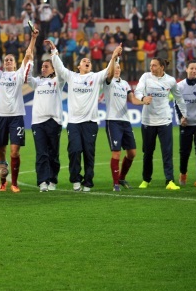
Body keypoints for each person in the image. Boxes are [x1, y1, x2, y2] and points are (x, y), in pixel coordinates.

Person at [48, 39, 122, 191]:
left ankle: (88, 182)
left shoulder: (95, 77)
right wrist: (54, 52)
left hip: (90, 122)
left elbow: (109, 71)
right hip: (74, 122)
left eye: (89, 61)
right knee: (74, 151)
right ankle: (76, 180)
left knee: (89, 153)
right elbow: (60, 69)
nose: (87, 61)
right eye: (84, 60)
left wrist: (114, 56)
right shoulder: (72, 77)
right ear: (78, 66)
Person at [0, 25, 34, 192]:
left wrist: (33, 38)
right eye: (6, 60)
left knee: (15, 151)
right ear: (3, 64)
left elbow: (28, 55)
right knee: (1, 151)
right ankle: (3, 181)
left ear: (15, 63)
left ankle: (15, 183)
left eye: (11, 60)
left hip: (16, 116)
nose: (8, 62)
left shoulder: (19, 74)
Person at [134, 58, 187, 190]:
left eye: (154, 65)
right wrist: (143, 98)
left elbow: (179, 98)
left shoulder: (170, 80)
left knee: (167, 152)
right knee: (148, 152)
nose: (151, 68)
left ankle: (169, 181)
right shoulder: (146, 77)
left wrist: (184, 114)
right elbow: (137, 91)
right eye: (150, 65)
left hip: (165, 121)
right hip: (148, 121)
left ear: (162, 67)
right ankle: (146, 179)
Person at [27, 36, 64, 192]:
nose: (43, 68)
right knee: (41, 153)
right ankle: (43, 181)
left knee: (53, 153)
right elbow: (27, 77)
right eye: (42, 66)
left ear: (53, 69)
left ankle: (53, 180)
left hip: (53, 121)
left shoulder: (58, 81)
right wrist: (30, 60)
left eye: (46, 66)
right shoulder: (37, 81)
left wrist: (54, 52)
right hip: (38, 122)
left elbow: (61, 71)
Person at [104, 59, 144, 191]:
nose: (117, 69)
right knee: (116, 153)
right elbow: (109, 74)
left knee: (132, 153)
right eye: (114, 67)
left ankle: (121, 178)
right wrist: (114, 57)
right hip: (113, 120)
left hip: (125, 121)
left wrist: (144, 101)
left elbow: (132, 99)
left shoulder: (125, 84)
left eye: (119, 67)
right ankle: (115, 183)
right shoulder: (108, 81)